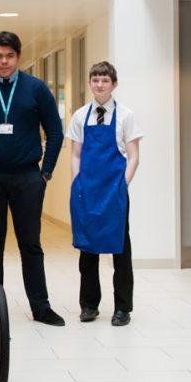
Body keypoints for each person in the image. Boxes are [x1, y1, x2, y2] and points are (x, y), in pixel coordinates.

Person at [0, 31, 66, 326]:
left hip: (27, 176)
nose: (3, 61)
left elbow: (55, 131)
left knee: (30, 243)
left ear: (18, 57)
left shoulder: (36, 88)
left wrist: (45, 172)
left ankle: (41, 306)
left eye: (9, 56)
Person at [66, 61, 142, 326]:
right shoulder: (80, 116)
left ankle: (123, 308)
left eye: (105, 81)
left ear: (114, 84)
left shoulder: (126, 116)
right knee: (87, 248)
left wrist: (122, 185)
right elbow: (75, 154)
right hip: (87, 189)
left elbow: (133, 157)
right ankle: (89, 305)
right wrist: (78, 183)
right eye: (95, 80)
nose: (99, 85)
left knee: (120, 249)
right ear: (90, 83)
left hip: (114, 190)